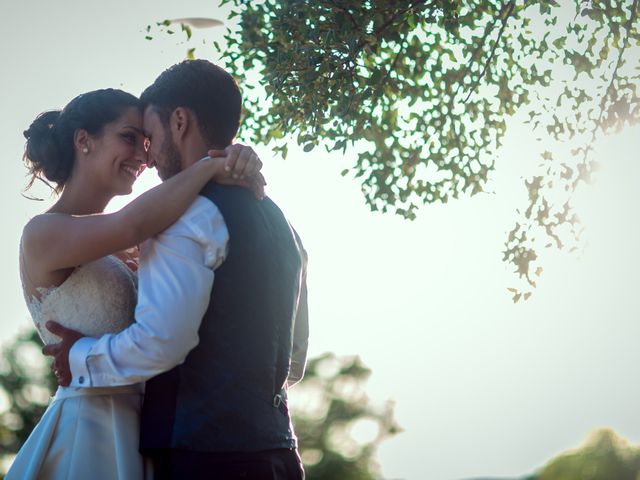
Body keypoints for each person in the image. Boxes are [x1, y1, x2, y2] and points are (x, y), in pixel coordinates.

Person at [45, 59, 309, 480]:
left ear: (180, 121)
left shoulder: (180, 216)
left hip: (203, 457)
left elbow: (161, 342)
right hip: (279, 453)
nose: (146, 154)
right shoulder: (279, 219)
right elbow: (293, 363)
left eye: (148, 135)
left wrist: (78, 356)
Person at [8, 88, 264, 479]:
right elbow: (132, 221)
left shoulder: (135, 238)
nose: (145, 156)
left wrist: (240, 159)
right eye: (129, 137)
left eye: (147, 143)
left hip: (155, 430)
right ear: (84, 141)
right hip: (88, 433)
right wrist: (213, 166)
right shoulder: (43, 234)